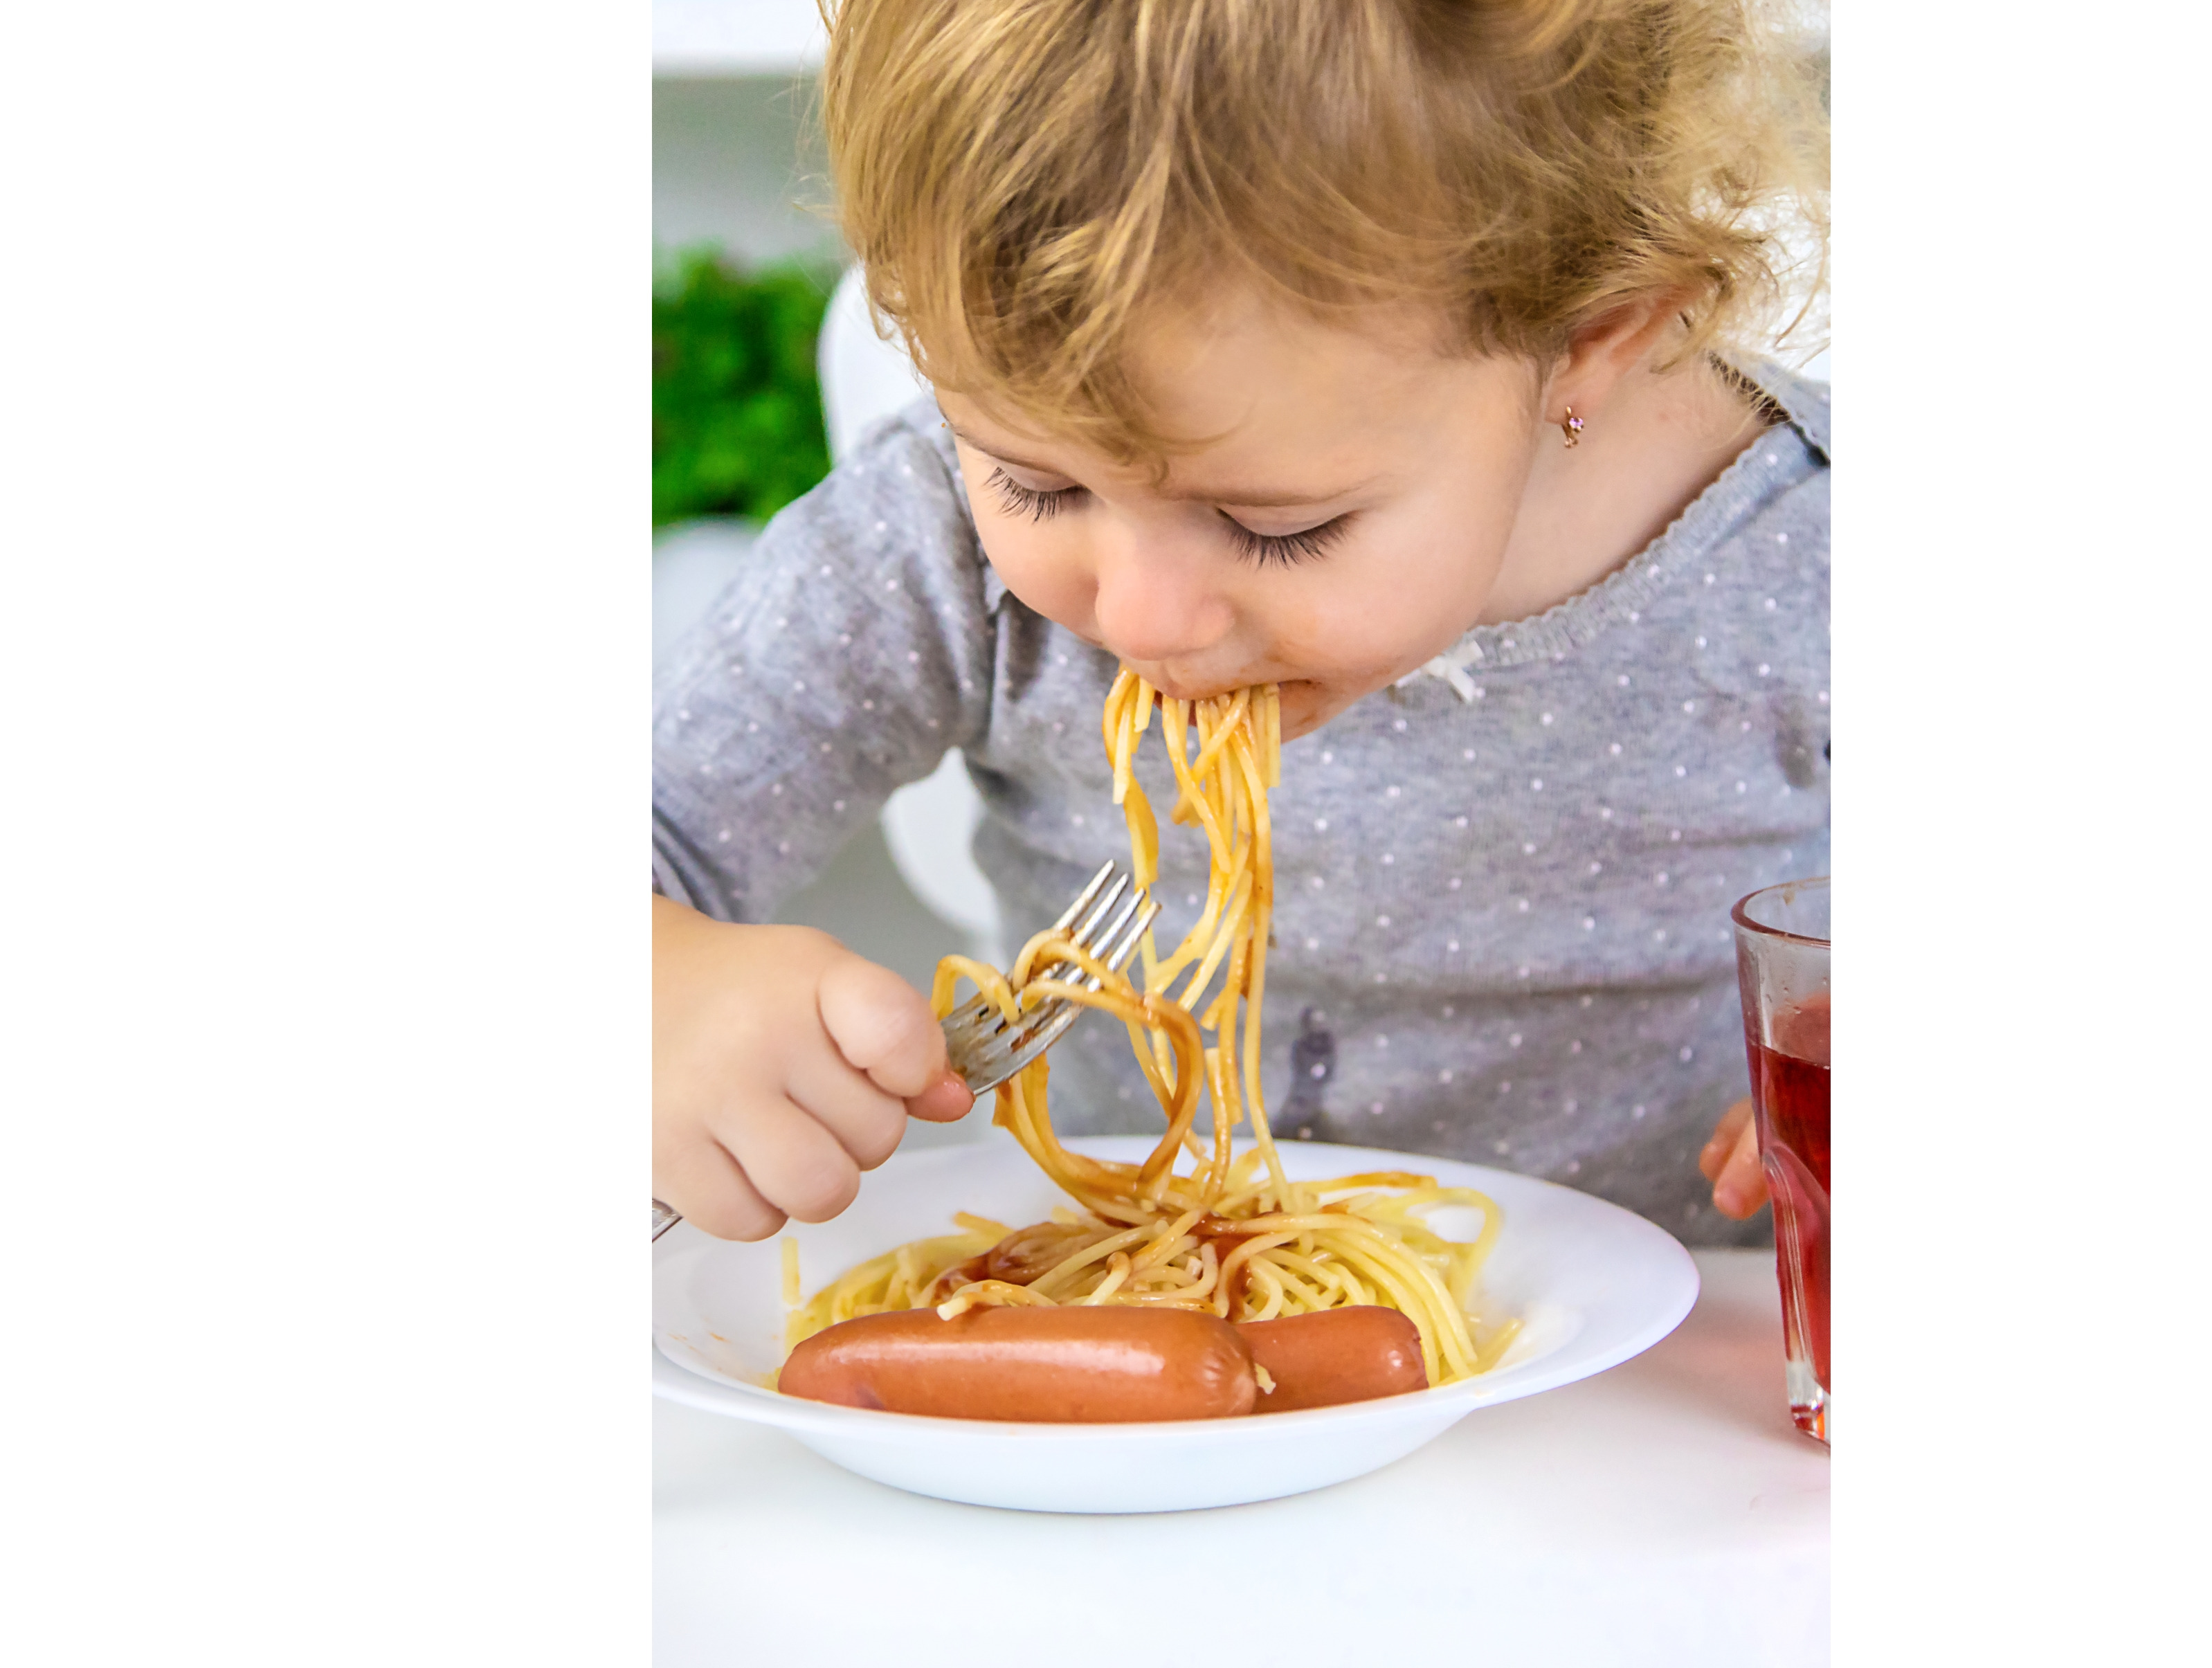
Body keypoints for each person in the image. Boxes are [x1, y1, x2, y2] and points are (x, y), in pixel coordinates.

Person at [653, 0, 1828, 1245]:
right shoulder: (930, 537)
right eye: (1038, 485)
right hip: (1133, 1307)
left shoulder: (1811, 553)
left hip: (1690, 1340)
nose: (1142, 616)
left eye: (1277, 526)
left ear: (1590, 337)